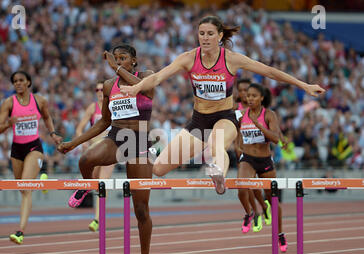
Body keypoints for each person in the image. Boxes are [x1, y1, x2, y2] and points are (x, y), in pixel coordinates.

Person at [119, 15, 325, 195]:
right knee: (159, 169)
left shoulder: (231, 59)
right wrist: (136, 88)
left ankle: (218, 174)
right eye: (201, 33)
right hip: (199, 121)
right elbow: (157, 78)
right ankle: (214, 169)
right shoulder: (189, 58)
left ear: (219, 36)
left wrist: (303, 85)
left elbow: (269, 71)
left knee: (216, 145)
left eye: (210, 34)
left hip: (224, 118)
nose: (205, 38)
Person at [57, 44, 155, 254]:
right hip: (116, 137)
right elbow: (103, 122)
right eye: (116, 58)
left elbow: (139, 87)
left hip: (139, 141)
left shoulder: (146, 78)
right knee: (86, 159)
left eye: (124, 58)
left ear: (134, 61)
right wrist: (74, 142)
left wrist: (116, 67)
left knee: (140, 209)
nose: (119, 61)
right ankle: (87, 186)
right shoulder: (110, 86)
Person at [0, 70, 62, 245]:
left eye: (21, 80)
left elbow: (47, 118)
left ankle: (20, 231)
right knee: (23, 188)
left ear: (28, 82)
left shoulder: (39, 101)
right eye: (15, 81)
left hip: (34, 147)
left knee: (25, 186)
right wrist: (8, 123)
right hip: (16, 149)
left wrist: (53, 134)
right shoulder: (8, 103)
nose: (18, 83)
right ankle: (42, 182)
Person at [237, 83, 287, 252]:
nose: (249, 99)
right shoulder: (241, 114)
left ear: (261, 98)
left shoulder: (269, 115)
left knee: (273, 199)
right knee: (242, 187)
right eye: (248, 96)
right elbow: (228, 125)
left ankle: (280, 233)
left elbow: (275, 138)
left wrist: (258, 125)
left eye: (253, 96)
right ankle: (250, 212)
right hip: (248, 158)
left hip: (265, 160)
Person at [73, 80, 115, 232]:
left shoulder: (113, 105)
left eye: (101, 89)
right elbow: (79, 129)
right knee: (95, 183)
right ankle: (86, 189)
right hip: (95, 151)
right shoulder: (92, 107)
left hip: (110, 150)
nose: (99, 92)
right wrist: (83, 142)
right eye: (96, 89)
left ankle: (97, 219)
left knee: (102, 183)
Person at [234, 78, 272, 229]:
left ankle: (263, 207)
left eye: (246, 91)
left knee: (254, 185)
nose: (244, 94)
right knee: (246, 185)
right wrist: (237, 146)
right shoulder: (235, 107)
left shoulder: (260, 109)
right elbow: (236, 130)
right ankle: (255, 212)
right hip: (241, 150)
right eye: (241, 90)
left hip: (258, 152)